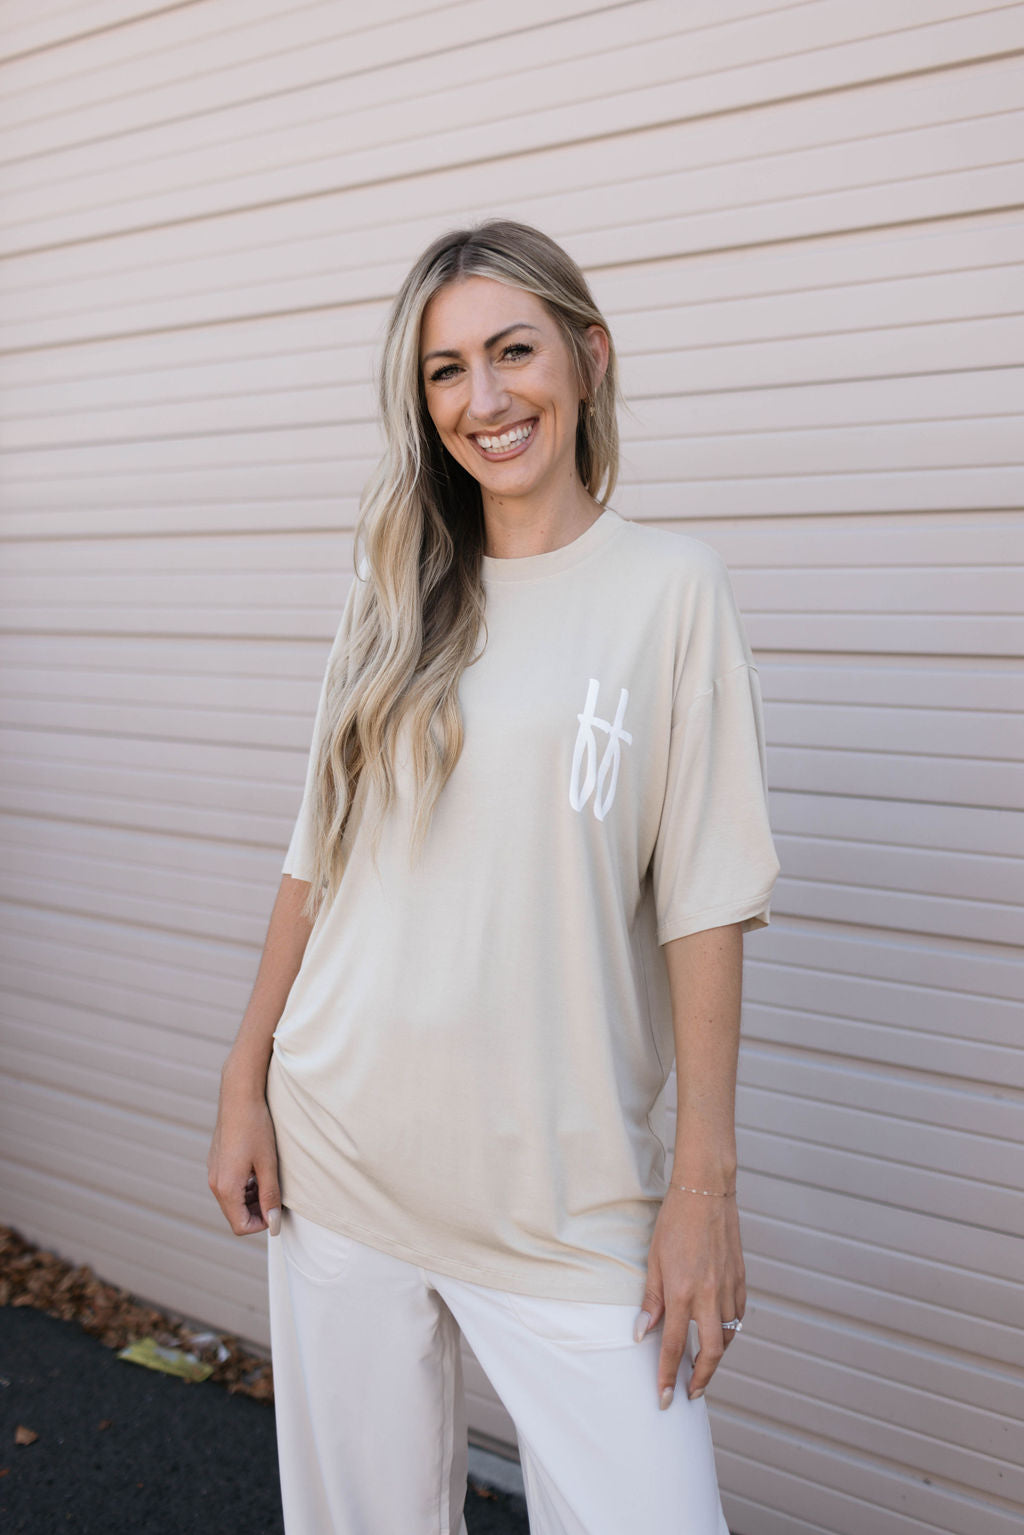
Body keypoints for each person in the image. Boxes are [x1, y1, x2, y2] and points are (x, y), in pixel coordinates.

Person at [208, 218, 781, 1535]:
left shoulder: (670, 592)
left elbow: (706, 898)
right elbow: (318, 852)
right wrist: (245, 1078)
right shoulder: (391, 589)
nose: (485, 400)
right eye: (445, 371)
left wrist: (703, 1192)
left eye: (513, 352)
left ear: (585, 355)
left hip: (565, 1196)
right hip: (344, 1152)